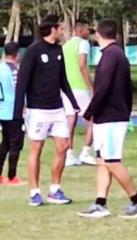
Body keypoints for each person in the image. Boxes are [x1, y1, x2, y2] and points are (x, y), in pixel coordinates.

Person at [77, 20, 137, 219]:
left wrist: (89, 111)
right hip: (107, 117)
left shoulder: (112, 56)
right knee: (102, 161)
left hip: (111, 117)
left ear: (98, 35)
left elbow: (103, 89)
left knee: (112, 161)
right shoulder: (112, 55)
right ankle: (100, 204)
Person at [14, 15, 80, 206]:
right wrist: (18, 115)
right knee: (36, 149)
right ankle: (34, 192)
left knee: (63, 147)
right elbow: (22, 83)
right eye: (60, 28)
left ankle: (55, 190)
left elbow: (63, 80)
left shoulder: (58, 50)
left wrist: (74, 103)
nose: (62, 31)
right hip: (38, 110)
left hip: (57, 109)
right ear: (52, 29)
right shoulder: (33, 51)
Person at [62, 20, 96, 166]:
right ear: (80, 30)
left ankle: (69, 154)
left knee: (71, 120)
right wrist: (91, 86)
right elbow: (82, 65)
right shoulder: (83, 44)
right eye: (87, 30)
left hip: (68, 88)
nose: (89, 32)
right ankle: (86, 152)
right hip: (80, 87)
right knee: (93, 119)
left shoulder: (66, 45)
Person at [0, 42, 26, 186]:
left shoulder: (1, 67)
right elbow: (19, 90)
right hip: (14, 111)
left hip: (2, 110)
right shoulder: (14, 70)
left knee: (5, 143)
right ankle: (12, 176)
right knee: (15, 144)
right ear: (17, 54)